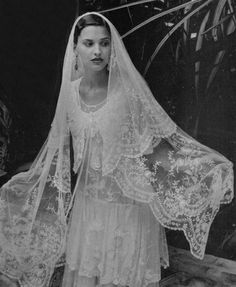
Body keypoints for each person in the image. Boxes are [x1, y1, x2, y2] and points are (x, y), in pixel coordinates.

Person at [0, 12, 233, 287]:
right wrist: (30, 183)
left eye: (104, 43)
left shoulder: (128, 93)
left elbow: (157, 148)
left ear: (113, 47)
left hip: (128, 212)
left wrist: (202, 168)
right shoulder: (70, 94)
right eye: (88, 43)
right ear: (75, 48)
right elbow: (56, 150)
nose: (97, 51)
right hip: (88, 210)